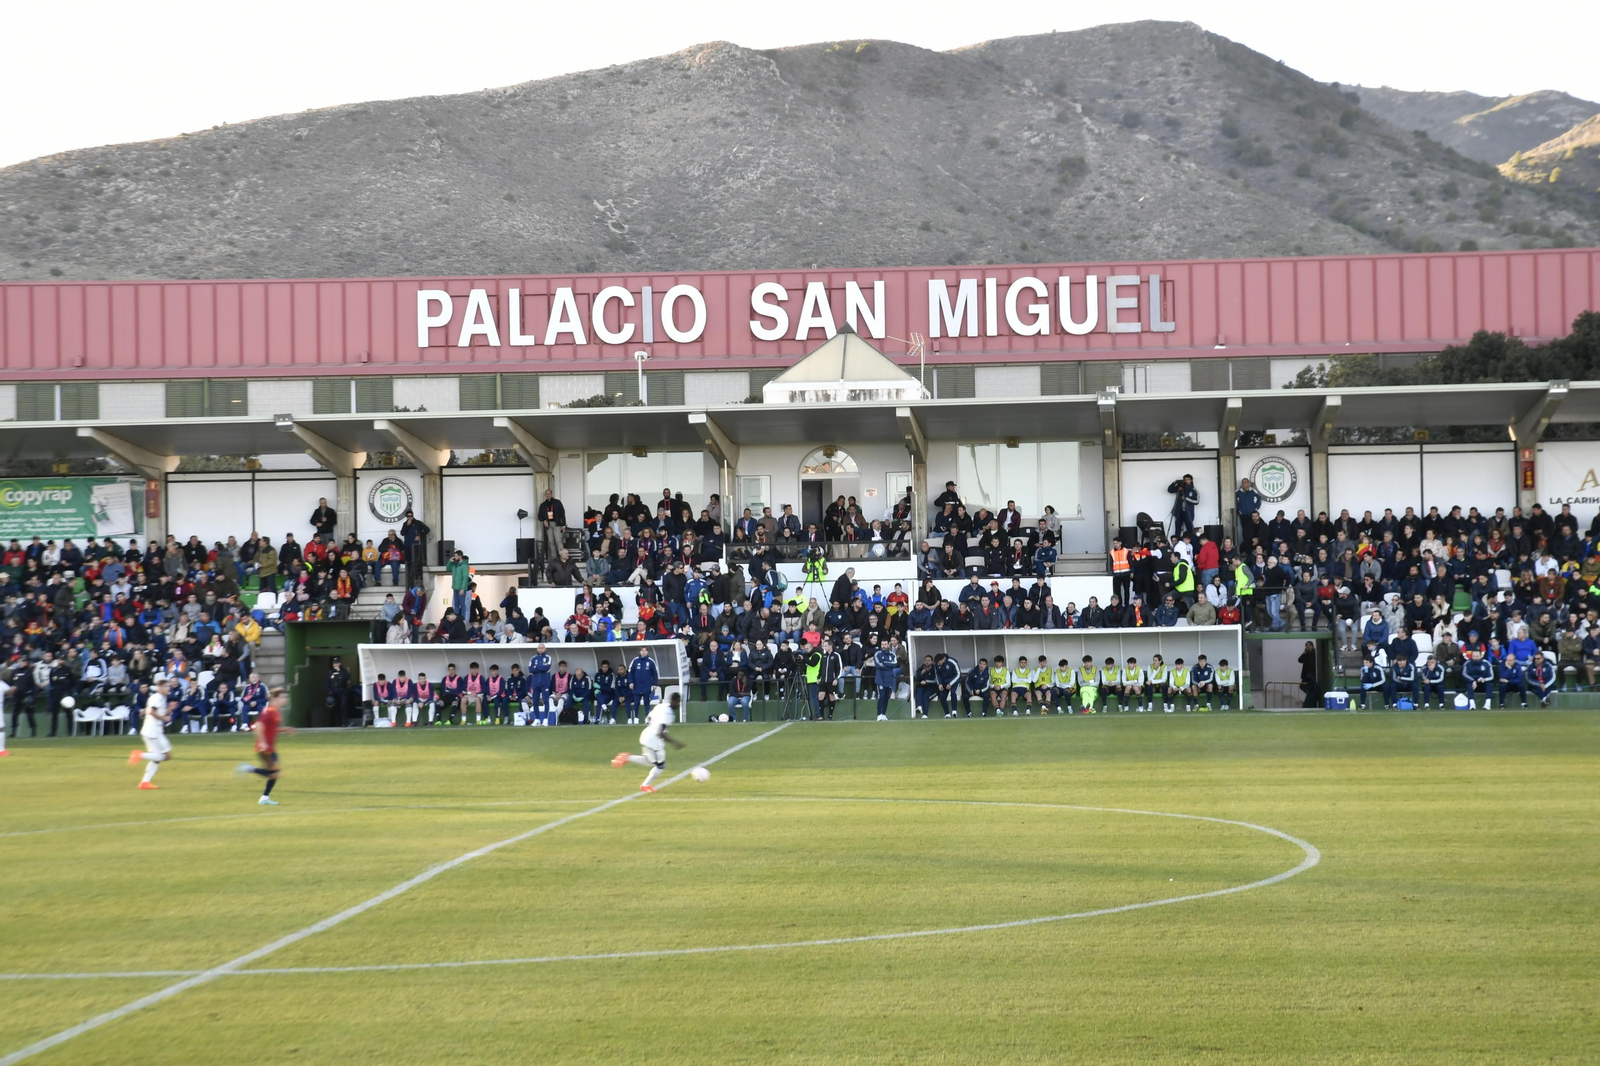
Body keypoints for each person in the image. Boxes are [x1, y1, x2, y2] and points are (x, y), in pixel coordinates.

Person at [610, 691, 684, 792]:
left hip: (647, 734)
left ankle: (627, 757)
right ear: (674, 701)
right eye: (678, 702)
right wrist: (674, 742)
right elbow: (661, 732)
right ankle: (645, 785)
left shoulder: (661, 706)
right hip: (654, 740)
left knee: (651, 761)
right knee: (660, 765)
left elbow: (649, 717)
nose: (679, 704)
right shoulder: (669, 715)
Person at [236, 687, 291, 805]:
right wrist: (262, 743)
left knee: (273, 773)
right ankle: (249, 770)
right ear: (276, 698)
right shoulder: (268, 711)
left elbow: (272, 728)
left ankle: (264, 797)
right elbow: (258, 726)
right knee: (274, 772)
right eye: (283, 697)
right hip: (264, 748)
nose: (285, 699)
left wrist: (285, 729)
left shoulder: (276, 711)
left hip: (271, 747)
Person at [127, 676, 174, 790]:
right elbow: (151, 711)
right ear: (160, 687)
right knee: (166, 755)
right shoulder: (156, 697)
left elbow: (159, 712)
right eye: (166, 686)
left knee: (158, 758)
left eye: (169, 686)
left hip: (154, 730)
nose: (169, 688)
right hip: (153, 731)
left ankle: (145, 782)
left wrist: (169, 709)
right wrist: (164, 718)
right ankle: (139, 755)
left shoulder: (161, 698)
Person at [537, 488, 567, 563]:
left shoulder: (557, 502)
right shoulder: (543, 505)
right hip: (548, 524)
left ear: (552, 494)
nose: (548, 495)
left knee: (558, 540)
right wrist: (544, 520)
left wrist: (563, 525)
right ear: (545, 495)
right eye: (546, 494)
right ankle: (554, 559)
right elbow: (539, 516)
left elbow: (562, 514)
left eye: (549, 493)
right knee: (551, 541)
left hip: (557, 524)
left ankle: (562, 557)